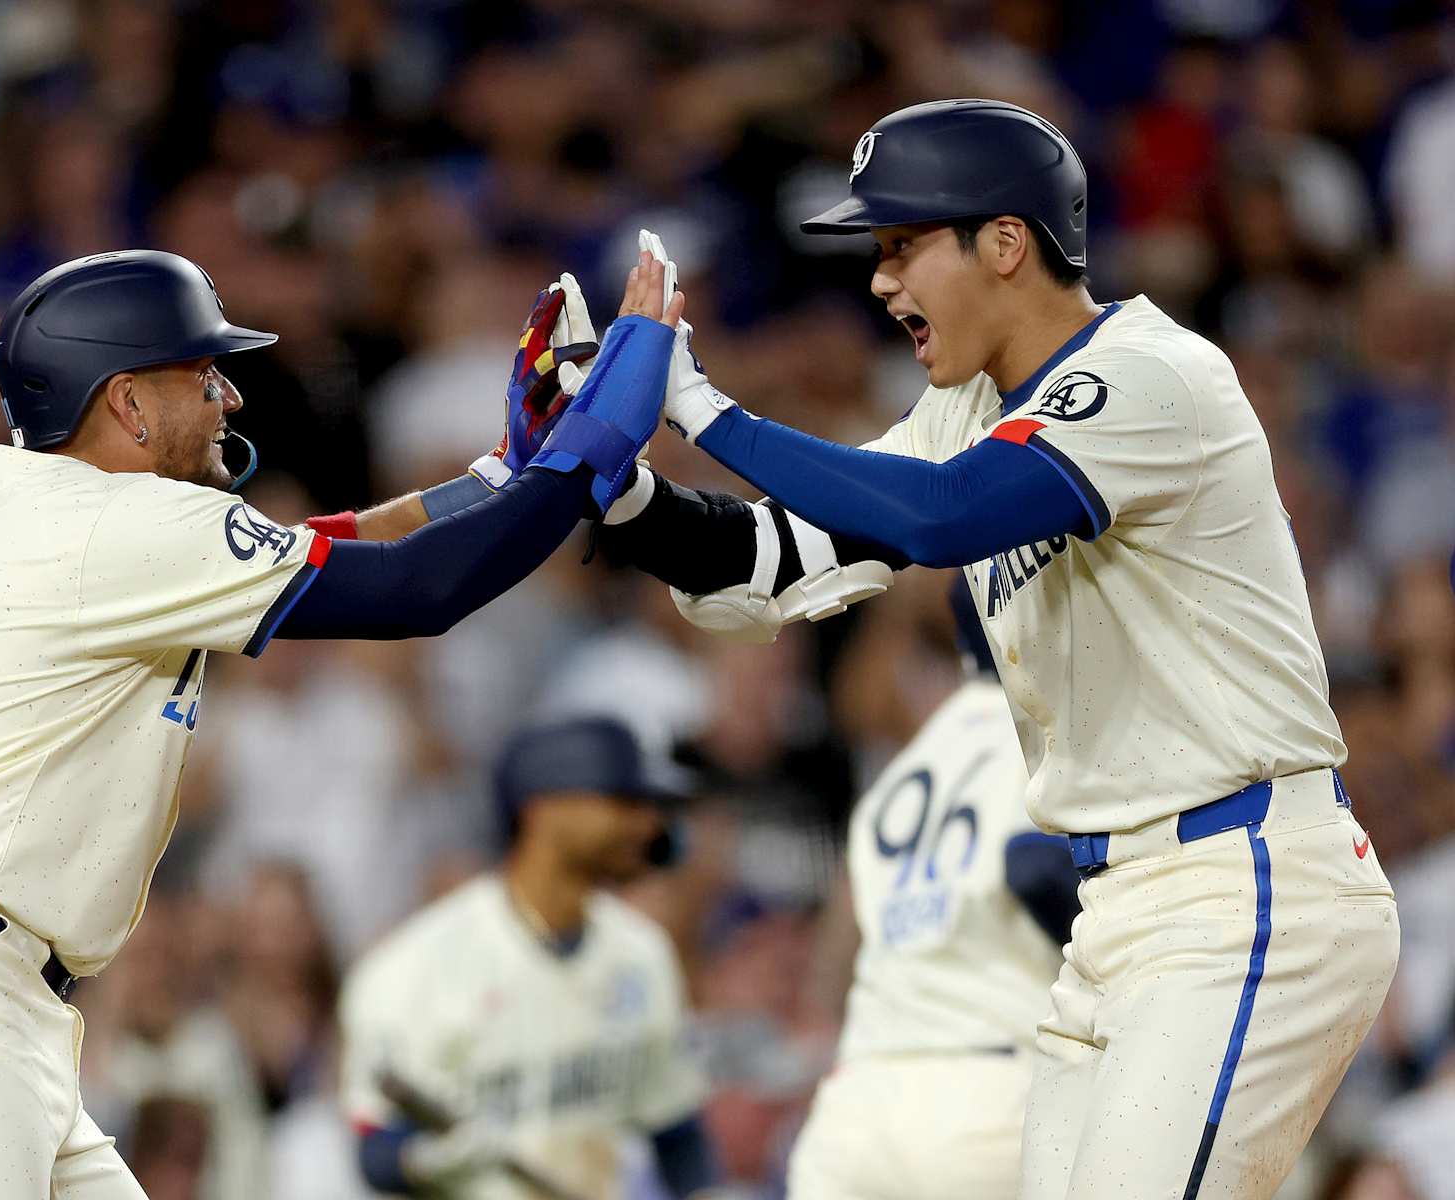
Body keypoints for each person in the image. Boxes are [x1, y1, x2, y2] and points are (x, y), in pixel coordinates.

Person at [0, 247, 683, 1198]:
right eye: (200, 374)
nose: (229, 397)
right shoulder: (110, 526)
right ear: (128, 403)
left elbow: (319, 546)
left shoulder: (52, 507)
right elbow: (416, 589)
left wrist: (499, 480)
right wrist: (594, 445)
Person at [601, 100, 1400, 1198]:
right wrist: (613, 488)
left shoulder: (1154, 372)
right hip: (1120, 912)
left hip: (1245, 880)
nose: (881, 282)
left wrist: (696, 402)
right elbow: (780, 560)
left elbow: (939, 517)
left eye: (902, 246)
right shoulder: (969, 409)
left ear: (1007, 243)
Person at [338, 715, 721, 1200]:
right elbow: (373, 1148)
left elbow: (676, 1129)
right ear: (542, 811)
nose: (647, 824)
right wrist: (424, 1159)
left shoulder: (642, 954)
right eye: (623, 802)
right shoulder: (414, 967)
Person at [786, 585, 1079, 1199]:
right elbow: (1033, 867)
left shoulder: (905, 767)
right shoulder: (1052, 743)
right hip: (986, 1088)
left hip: (856, 1102)